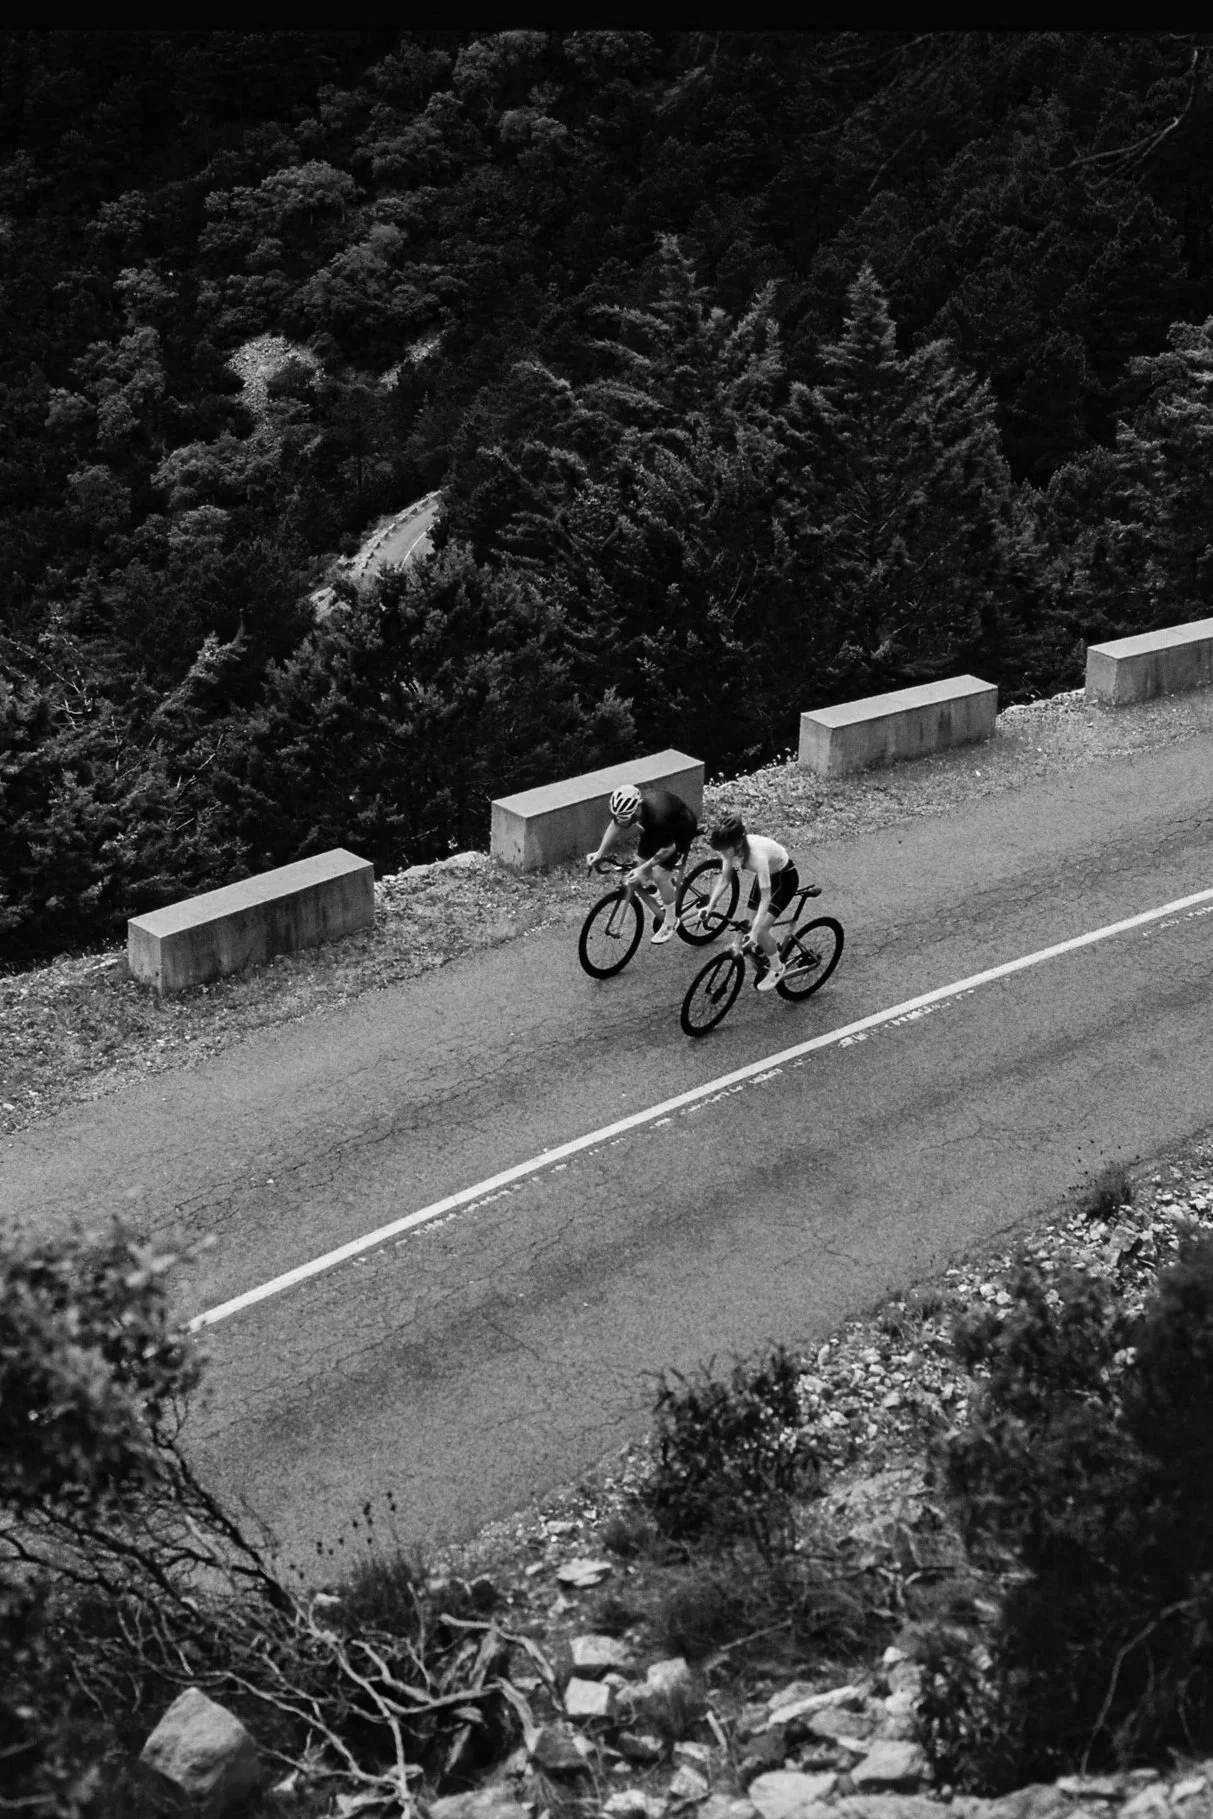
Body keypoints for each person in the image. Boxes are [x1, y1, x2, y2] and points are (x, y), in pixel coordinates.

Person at [695, 812, 800, 991]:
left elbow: (765, 899)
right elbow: (724, 880)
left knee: (760, 930)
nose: (721, 853)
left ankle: (776, 967)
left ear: (737, 844)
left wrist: (756, 931)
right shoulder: (730, 850)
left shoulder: (756, 857)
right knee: (747, 921)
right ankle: (747, 947)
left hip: (784, 879)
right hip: (767, 875)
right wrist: (710, 905)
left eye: (723, 849)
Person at [586, 782, 698, 944]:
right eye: (618, 816)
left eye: (625, 818)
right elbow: (616, 824)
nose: (622, 822)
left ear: (637, 810)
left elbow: (666, 851)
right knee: (637, 865)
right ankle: (659, 891)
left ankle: (671, 920)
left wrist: (645, 868)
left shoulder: (657, 817)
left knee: (659, 874)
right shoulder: (635, 813)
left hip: (680, 829)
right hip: (655, 829)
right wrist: (600, 853)